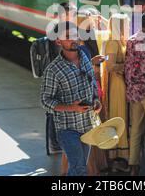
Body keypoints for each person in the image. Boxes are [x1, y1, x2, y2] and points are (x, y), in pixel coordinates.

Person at [41, 21, 102, 176]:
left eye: (75, 35)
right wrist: (71, 107)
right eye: (68, 36)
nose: (73, 39)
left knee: (78, 168)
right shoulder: (53, 70)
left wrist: (96, 101)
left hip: (87, 125)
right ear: (58, 41)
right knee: (79, 168)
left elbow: (92, 85)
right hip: (67, 129)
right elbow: (45, 100)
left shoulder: (86, 59)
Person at [124, 11, 145, 176]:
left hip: (133, 90)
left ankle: (133, 166)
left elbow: (128, 65)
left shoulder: (131, 40)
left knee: (136, 128)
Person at [101, 13, 130, 165]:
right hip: (116, 85)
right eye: (125, 24)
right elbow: (110, 66)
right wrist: (129, 66)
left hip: (120, 83)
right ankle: (118, 155)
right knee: (119, 115)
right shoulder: (113, 43)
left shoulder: (118, 42)